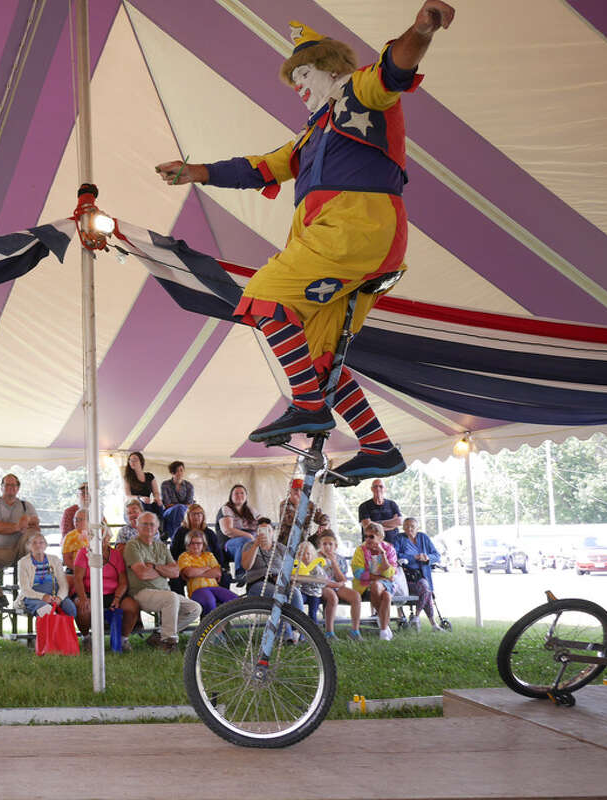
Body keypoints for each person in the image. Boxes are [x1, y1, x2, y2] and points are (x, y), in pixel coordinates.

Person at [155, 1, 456, 481]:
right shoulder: (310, 135)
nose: (298, 88)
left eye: (303, 75)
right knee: (320, 358)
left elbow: (395, 67)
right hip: (353, 242)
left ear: (330, 69)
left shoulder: (358, 93)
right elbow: (259, 167)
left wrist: (421, 30)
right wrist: (199, 171)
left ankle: (309, 405)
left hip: (353, 229)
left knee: (262, 295)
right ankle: (378, 447)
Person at [125, 511, 201, 651]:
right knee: (171, 598)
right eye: (145, 524)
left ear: (157, 527)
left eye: (152, 524)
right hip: (141, 592)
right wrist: (163, 570)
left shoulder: (161, 546)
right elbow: (142, 573)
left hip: (164, 593)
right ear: (137, 526)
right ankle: (168, 642)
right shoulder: (132, 545)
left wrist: (153, 567)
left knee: (195, 608)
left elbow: (176, 572)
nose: (149, 527)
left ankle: (159, 634)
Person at [0, 474, 39, 611]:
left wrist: (27, 520)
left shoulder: (26, 505)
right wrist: (19, 526)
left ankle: (29, 593)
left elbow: (35, 521)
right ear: (1, 487)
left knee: (34, 533)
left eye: (13, 485)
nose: (10, 488)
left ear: (18, 488)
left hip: (22, 550)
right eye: (7, 485)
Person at [240, 518, 306, 641]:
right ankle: (285, 636)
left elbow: (289, 568)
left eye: (268, 530)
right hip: (257, 583)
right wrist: (256, 545)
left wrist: (282, 578)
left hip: (279, 581)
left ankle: (300, 631)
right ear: (257, 532)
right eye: (261, 530)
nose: (265, 533)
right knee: (280, 597)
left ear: (272, 532)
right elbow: (246, 566)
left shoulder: (280, 548)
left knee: (295, 593)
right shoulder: (249, 545)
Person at [71, 529, 137, 649]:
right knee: (83, 607)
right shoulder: (83, 553)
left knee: (132, 607)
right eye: (95, 538)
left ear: (108, 538)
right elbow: (77, 578)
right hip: (89, 592)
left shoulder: (116, 554)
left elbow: (123, 581)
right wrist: (83, 598)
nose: (99, 541)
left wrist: (117, 598)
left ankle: (123, 639)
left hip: (112, 593)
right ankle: (86, 638)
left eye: (103, 538)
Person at [395, 517, 443, 631]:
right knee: (425, 590)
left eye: (412, 526)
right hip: (406, 577)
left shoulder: (423, 537)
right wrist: (413, 557)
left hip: (422, 575)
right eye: (406, 526)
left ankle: (419, 618)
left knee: (426, 591)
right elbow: (394, 555)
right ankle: (431, 623)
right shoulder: (399, 538)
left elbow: (437, 555)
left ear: (417, 528)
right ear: (403, 527)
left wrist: (427, 558)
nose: (409, 528)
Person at [352, 522, 398, 641]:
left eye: (371, 536)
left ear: (380, 537)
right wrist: (380, 578)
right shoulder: (360, 550)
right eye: (366, 536)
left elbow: (390, 573)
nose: (367, 539)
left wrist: (383, 554)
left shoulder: (389, 549)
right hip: (364, 585)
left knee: (382, 591)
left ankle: (383, 628)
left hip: (387, 584)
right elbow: (358, 573)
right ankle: (384, 627)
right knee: (382, 592)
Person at [177, 530, 238, 617]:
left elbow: (217, 573)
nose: (195, 546)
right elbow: (189, 573)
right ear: (187, 544)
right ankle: (210, 628)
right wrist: (206, 568)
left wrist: (197, 572)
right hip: (197, 590)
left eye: (198, 543)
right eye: (192, 543)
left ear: (203, 544)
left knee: (234, 600)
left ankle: (220, 626)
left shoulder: (209, 555)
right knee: (209, 601)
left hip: (214, 587)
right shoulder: (184, 556)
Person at [16, 532, 75, 620]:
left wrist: (59, 597)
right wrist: (42, 596)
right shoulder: (23, 562)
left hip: (55, 594)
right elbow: (25, 589)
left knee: (70, 608)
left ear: (46, 545)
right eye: (34, 543)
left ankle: (65, 632)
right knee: (46, 610)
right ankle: (49, 633)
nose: (38, 545)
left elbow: (63, 584)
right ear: (29, 546)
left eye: (41, 542)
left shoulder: (55, 559)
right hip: (33, 596)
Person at [317, 531, 362, 640]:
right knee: (333, 597)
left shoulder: (339, 559)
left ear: (335, 546)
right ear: (319, 545)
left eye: (330, 544)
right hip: (322, 587)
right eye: (324, 544)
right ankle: (329, 632)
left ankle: (355, 631)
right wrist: (335, 584)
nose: (327, 547)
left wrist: (334, 562)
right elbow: (318, 579)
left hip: (337, 585)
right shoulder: (316, 558)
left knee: (356, 596)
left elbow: (342, 579)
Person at [218, 484, 258, 571]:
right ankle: (240, 572)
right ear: (231, 496)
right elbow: (227, 530)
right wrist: (250, 536)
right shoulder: (226, 509)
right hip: (229, 545)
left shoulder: (251, 510)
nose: (239, 495)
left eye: (242, 493)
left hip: (251, 541)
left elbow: (262, 522)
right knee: (245, 541)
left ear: (246, 496)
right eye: (236, 493)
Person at [359, 479, 403, 548]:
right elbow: (367, 526)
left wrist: (376, 524)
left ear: (385, 489)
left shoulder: (392, 504)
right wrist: (391, 526)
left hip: (392, 544)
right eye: (375, 486)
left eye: (381, 486)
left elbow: (399, 521)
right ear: (371, 489)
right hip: (371, 544)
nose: (378, 489)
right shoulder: (364, 506)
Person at [279, 478, 324, 542]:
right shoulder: (284, 504)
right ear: (290, 491)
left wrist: (325, 524)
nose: (298, 492)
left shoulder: (309, 504)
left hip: (305, 539)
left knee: (324, 533)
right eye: (296, 490)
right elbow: (292, 521)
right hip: (287, 540)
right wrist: (298, 505)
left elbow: (320, 516)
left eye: (301, 490)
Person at [159, 460, 194, 537]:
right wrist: (180, 506)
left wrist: (180, 507)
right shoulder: (165, 485)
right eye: (176, 471)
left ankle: (175, 536)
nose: (179, 473)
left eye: (181, 470)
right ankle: (181, 536)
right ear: (172, 473)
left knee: (181, 510)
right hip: (169, 512)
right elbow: (167, 504)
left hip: (184, 511)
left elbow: (189, 504)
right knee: (179, 509)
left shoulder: (189, 486)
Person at [123, 452, 162, 519]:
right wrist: (140, 498)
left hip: (148, 502)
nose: (132, 462)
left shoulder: (149, 476)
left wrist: (157, 498)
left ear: (141, 461)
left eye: (135, 459)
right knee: (143, 504)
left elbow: (156, 492)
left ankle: (159, 526)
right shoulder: (127, 478)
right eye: (130, 460)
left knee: (159, 505)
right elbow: (128, 495)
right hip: (135, 503)